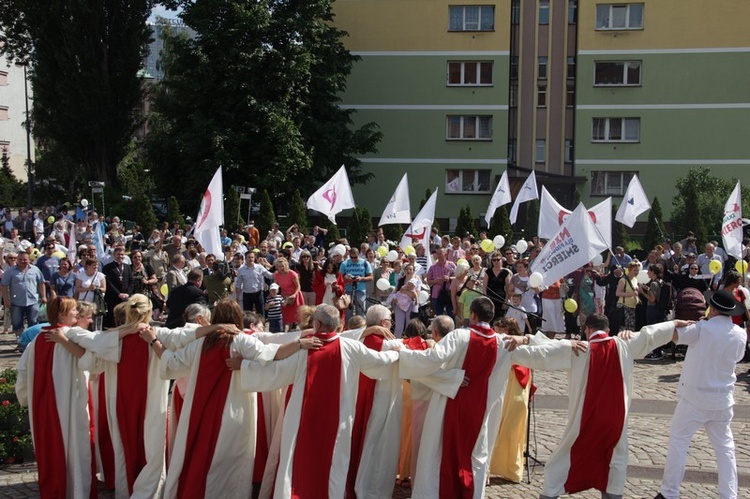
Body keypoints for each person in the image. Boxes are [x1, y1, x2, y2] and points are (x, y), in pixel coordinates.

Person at [399, 297, 581, 498]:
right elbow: (537, 354)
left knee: (438, 453)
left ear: (473, 314)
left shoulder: (458, 336)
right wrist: (565, 345)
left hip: (448, 404)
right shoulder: (503, 343)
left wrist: (403, 353)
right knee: (476, 456)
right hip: (483, 410)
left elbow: (431, 360)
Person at [143, 299, 321, 499]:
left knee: (203, 457)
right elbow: (273, 354)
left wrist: (153, 341)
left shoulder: (201, 342)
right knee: (230, 462)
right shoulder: (241, 339)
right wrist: (299, 344)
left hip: (200, 410)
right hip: (235, 411)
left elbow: (172, 363)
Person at [237, 304, 399, 498]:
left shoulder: (304, 347)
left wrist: (245, 366)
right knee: (333, 463)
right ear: (338, 325)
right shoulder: (350, 347)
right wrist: (396, 353)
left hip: (302, 417)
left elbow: (275, 372)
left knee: (298, 461)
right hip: (338, 420)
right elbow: (379, 361)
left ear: (317, 323)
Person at [530, 313, 678, 499]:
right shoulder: (624, 344)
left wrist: (525, 339)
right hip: (613, 423)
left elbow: (546, 350)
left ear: (587, 330)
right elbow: (650, 335)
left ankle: (550, 495)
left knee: (562, 464)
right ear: (608, 330)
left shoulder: (578, 349)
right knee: (612, 464)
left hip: (584, 423)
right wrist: (674, 323)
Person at [657, 290, 747, 499]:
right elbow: (739, 356)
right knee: (725, 449)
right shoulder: (739, 333)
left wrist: (677, 321)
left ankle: (669, 493)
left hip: (694, 399)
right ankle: (729, 494)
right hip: (723, 399)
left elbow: (674, 335)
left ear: (713, 309)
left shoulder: (701, 329)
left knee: (679, 442)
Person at [15, 297, 92, 497]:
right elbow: (92, 358)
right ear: (61, 314)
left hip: (43, 403)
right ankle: (76, 491)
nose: (77, 313)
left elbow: (22, 373)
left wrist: (27, 397)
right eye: (73, 310)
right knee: (75, 445)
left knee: (51, 447)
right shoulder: (73, 335)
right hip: (71, 401)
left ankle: (55, 489)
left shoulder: (37, 339)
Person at [345, 305, 403, 499]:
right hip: (381, 398)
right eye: (390, 320)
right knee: (377, 443)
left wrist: (369, 330)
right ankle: (370, 486)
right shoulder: (388, 345)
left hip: (360, 396)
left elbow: (344, 335)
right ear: (383, 323)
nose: (392, 324)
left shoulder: (360, 339)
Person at [489, 316, 532, 483]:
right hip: (506, 389)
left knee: (511, 427)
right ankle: (495, 465)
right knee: (499, 425)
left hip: (514, 390)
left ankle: (511, 468)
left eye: (499, 331)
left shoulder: (515, 348)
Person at [1, 251, 46, 337]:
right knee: (17, 324)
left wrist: (43, 296)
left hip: (33, 301)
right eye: (20, 259)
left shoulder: (35, 270)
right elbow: (4, 285)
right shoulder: (11, 271)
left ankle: (31, 342)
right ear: (17, 260)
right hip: (16, 302)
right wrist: (6, 300)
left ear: (29, 260)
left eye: (25, 259)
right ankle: (20, 342)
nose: (22, 261)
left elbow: (41, 283)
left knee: (33, 322)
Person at [102, 245, 133, 327]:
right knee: (114, 320)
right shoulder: (107, 268)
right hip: (113, 298)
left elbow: (131, 281)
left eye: (122, 254)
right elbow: (108, 283)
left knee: (125, 318)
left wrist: (128, 293)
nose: (120, 256)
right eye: (118, 254)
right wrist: (118, 294)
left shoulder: (127, 267)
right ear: (114, 255)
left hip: (125, 298)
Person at [339, 247, 373, 318]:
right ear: (349, 255)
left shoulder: (364, 263)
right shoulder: (344, 264)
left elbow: (371, 277)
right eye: (352, 257)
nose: (354, 259)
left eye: (355, 257)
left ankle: (361, 327)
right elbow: (339, 278)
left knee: (360, 312)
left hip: (360, 290)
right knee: (348, 312)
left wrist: (361, 278)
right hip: (348, 290)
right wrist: (347, 280)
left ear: (359, 255)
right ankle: (348, 327)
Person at [273, 256, 304, 330]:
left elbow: (298, 286)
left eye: (282, 266)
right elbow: (275, 286)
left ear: (286, 265)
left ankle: (292, 329)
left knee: (295, 314)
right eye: (279, 266)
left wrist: (294, 295)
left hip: (295, 294)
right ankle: (283, 330)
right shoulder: (276, 275)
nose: (281, 268)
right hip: (284, 295)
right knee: (284, 313)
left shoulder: (292, 273)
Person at [426, 247, 456, 318]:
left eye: (440, 253)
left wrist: (449, 279)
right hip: (436, 295)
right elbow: (428, 281)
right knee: (439, 317)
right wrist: (435, 281)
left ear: (445, 254)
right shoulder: (432, 267)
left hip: (449, 294)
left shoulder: (451, 265)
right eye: (437, 254)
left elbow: (457, 277)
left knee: (451, 315)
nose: (438, 255)